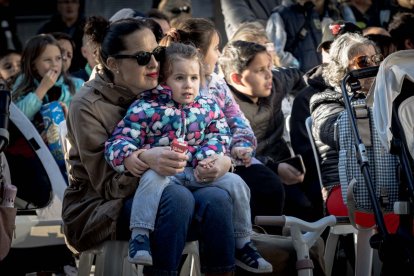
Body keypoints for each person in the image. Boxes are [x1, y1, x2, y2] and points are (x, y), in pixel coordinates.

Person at [62, 16, 237, 276]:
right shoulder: (87, 104)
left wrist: (222, 162)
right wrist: (146, 159)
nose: (155, 63)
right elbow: (107, 185)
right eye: (143, 57)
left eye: (157, 52)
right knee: (177, 199)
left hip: (176, 185)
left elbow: (209, 133)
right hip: (100, 207)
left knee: (218, 198)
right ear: (113, 64)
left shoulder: (163, 89)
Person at [104, 42, 272, 273]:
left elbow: (220, 134)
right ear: (164, 79)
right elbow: (119, 141)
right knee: (152, 178)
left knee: (237, 183)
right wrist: (131, 157)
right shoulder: (145, 107)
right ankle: (140, 236)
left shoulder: (207, 106)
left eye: (194, 78)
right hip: (166, 176)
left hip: (198, 173)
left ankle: (242, 242)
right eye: (179, 78)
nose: (188, 85)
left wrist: (210, 158)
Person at [160, 18, 286, 233]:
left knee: (268, 184)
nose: (219, 55)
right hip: (192, 166)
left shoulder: (216, 83)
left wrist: (241, 146)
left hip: (227, 158)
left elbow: (237, 120)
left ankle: (256, 242)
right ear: (198, 52)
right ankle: (239, 241)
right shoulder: (171, 87)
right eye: (216, 48)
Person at [309, 32, 398, 231]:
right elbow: (336, 131)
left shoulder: (385, 96)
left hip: (387, 180)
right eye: (363, 61)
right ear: (341, 69)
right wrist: (368, 103)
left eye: (376, 59)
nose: (374, 66)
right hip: (344, 186)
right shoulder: (325, 99)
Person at [37, 0, 86, 73]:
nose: (70, 6)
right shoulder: (48, 29)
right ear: (58, 5)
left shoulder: (87, 28)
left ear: (78, 5)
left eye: (74, 2)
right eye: (65, 2)